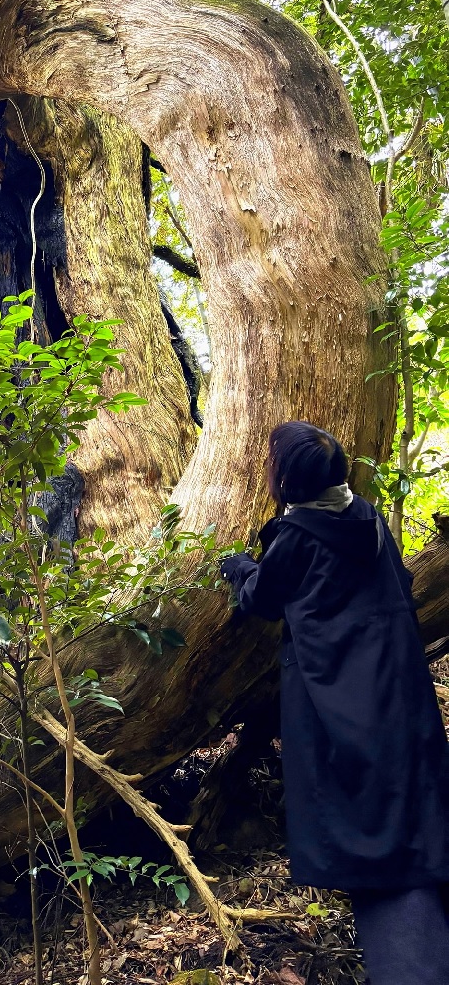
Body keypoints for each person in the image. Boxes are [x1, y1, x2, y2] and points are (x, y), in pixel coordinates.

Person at [221, 421, 449, 984]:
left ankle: (412, 962)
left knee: (375, 835)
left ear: (287, 481)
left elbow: (262, 598)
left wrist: (238, 566)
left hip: (343, 698)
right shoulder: (365, 517)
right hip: (396, 690)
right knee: (411, 805)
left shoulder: (296, 537)